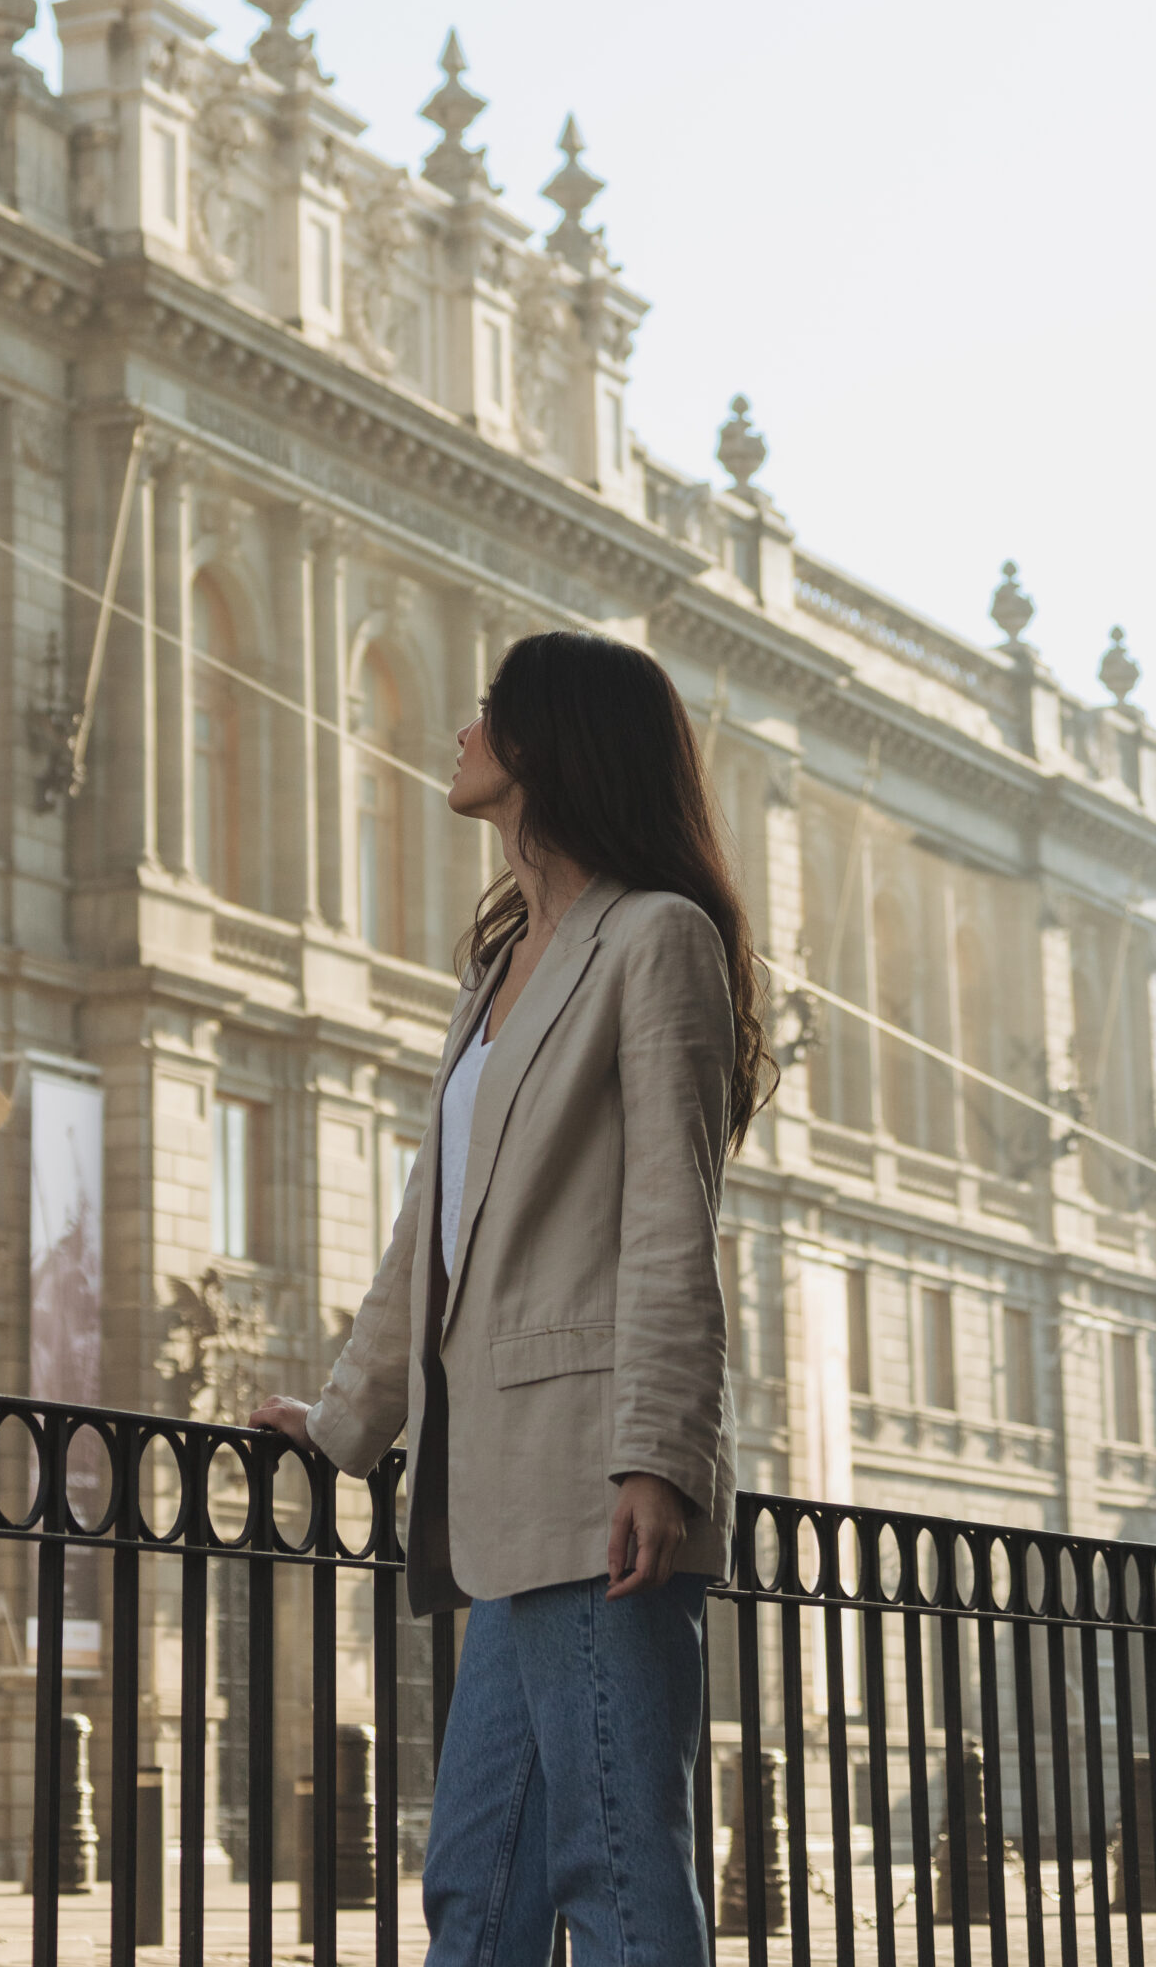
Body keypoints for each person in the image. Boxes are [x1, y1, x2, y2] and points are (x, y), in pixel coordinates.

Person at [250, 629, 776, 1967]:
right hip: (497, 1496)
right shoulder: (495, 973)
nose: (461, 733)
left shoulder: (656, 938)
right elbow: (427, 1238)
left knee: (617, 1871)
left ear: (549, 743)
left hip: (599, 1484)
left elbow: (671, 1222)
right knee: (473, 1889)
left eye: (489, 712)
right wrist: (343, 1422)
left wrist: (658, 1457)